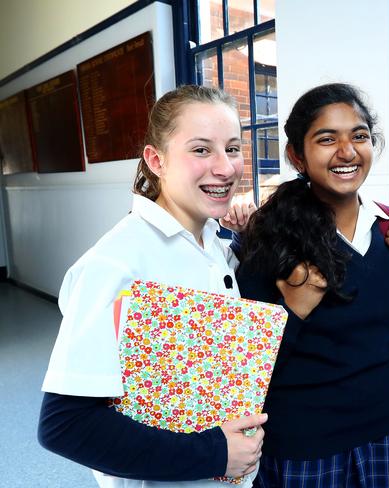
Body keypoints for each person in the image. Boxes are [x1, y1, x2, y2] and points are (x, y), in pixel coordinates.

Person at [38, 85, 265, 488]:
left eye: (232, 148)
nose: (225, 168)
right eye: (200, 150)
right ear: (156, 160)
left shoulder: (214, 244)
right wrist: (216, 453)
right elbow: (65, 425)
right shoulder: (116, 263)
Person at [235, 82, 389, 488]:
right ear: (298, 155)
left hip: (388, 431)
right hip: (306, 446)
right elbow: (248, 364)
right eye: (327, 139)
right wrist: (291, 309)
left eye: (359, 136)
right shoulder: (272, 235)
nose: (347, 152)